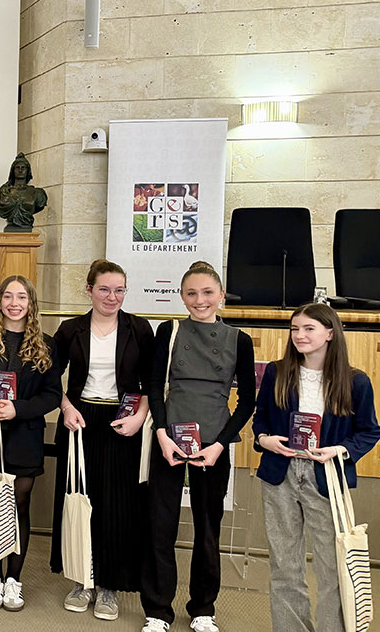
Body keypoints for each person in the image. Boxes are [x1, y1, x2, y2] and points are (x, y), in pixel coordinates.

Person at [140, 261, 256, 632]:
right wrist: (161, 433)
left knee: (208, 527)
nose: (199, 300)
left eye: (207, 292)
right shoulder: (169, 330)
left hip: (213, 444)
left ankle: (203, 609)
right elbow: (154, 386)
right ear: (181, 296)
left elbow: (247, 402)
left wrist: (220, 444)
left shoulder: (239, 340)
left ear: (221, 295)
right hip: (168, 438)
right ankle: (157, 610)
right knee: (160, 525)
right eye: (191, 293)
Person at [254, 303, 380, 632]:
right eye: (295, 329)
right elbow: (261, 418)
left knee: (332, 568)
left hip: (327, 478)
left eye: (309, 328)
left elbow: (369, 431)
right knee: (284, 566)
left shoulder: (356, 381)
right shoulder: (277, 372)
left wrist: (339, 450)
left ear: (330, 333)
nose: (299, 335)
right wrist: (265, 440)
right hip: (279, 476)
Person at [48, 259, 153, 621]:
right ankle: (82, 580)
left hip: (124, 422)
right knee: (81, 502)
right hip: (80, 421)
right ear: (89, 290)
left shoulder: (139, 329)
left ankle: (109, 585)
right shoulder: (70, 329)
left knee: (117, 507)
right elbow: (51, 378)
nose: (112, 297)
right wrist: (65, 407)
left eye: (119, 290)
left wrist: (140, 417)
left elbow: (152, 382)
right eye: (105, 289)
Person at [0, 274, 62, 613]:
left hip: (25, 434)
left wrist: (17, 409)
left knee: (19, 504)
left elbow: (52, 395)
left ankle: (14, 579)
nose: (14, 303)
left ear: (31, 303)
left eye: (21, 297)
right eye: (8, 296)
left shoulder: (46, 344)